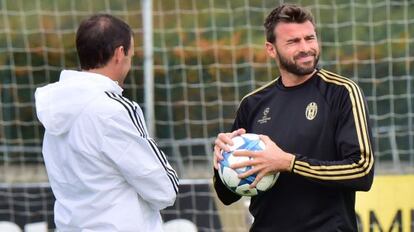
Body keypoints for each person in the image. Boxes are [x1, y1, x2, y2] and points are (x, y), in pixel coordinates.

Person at [213, 4, 374, 231]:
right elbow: (227, 195)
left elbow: (362, 171)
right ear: (271, 49)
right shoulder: (252, 104)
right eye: (293, 42)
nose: (306, 48)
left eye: (310, 38)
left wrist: (289, 163)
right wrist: (222, 159)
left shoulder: (342, 92)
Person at [35, 14, 178, 231]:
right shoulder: (113, 110)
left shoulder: (56, 106)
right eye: (131, 54)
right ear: (120, 53)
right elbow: (164, 189)